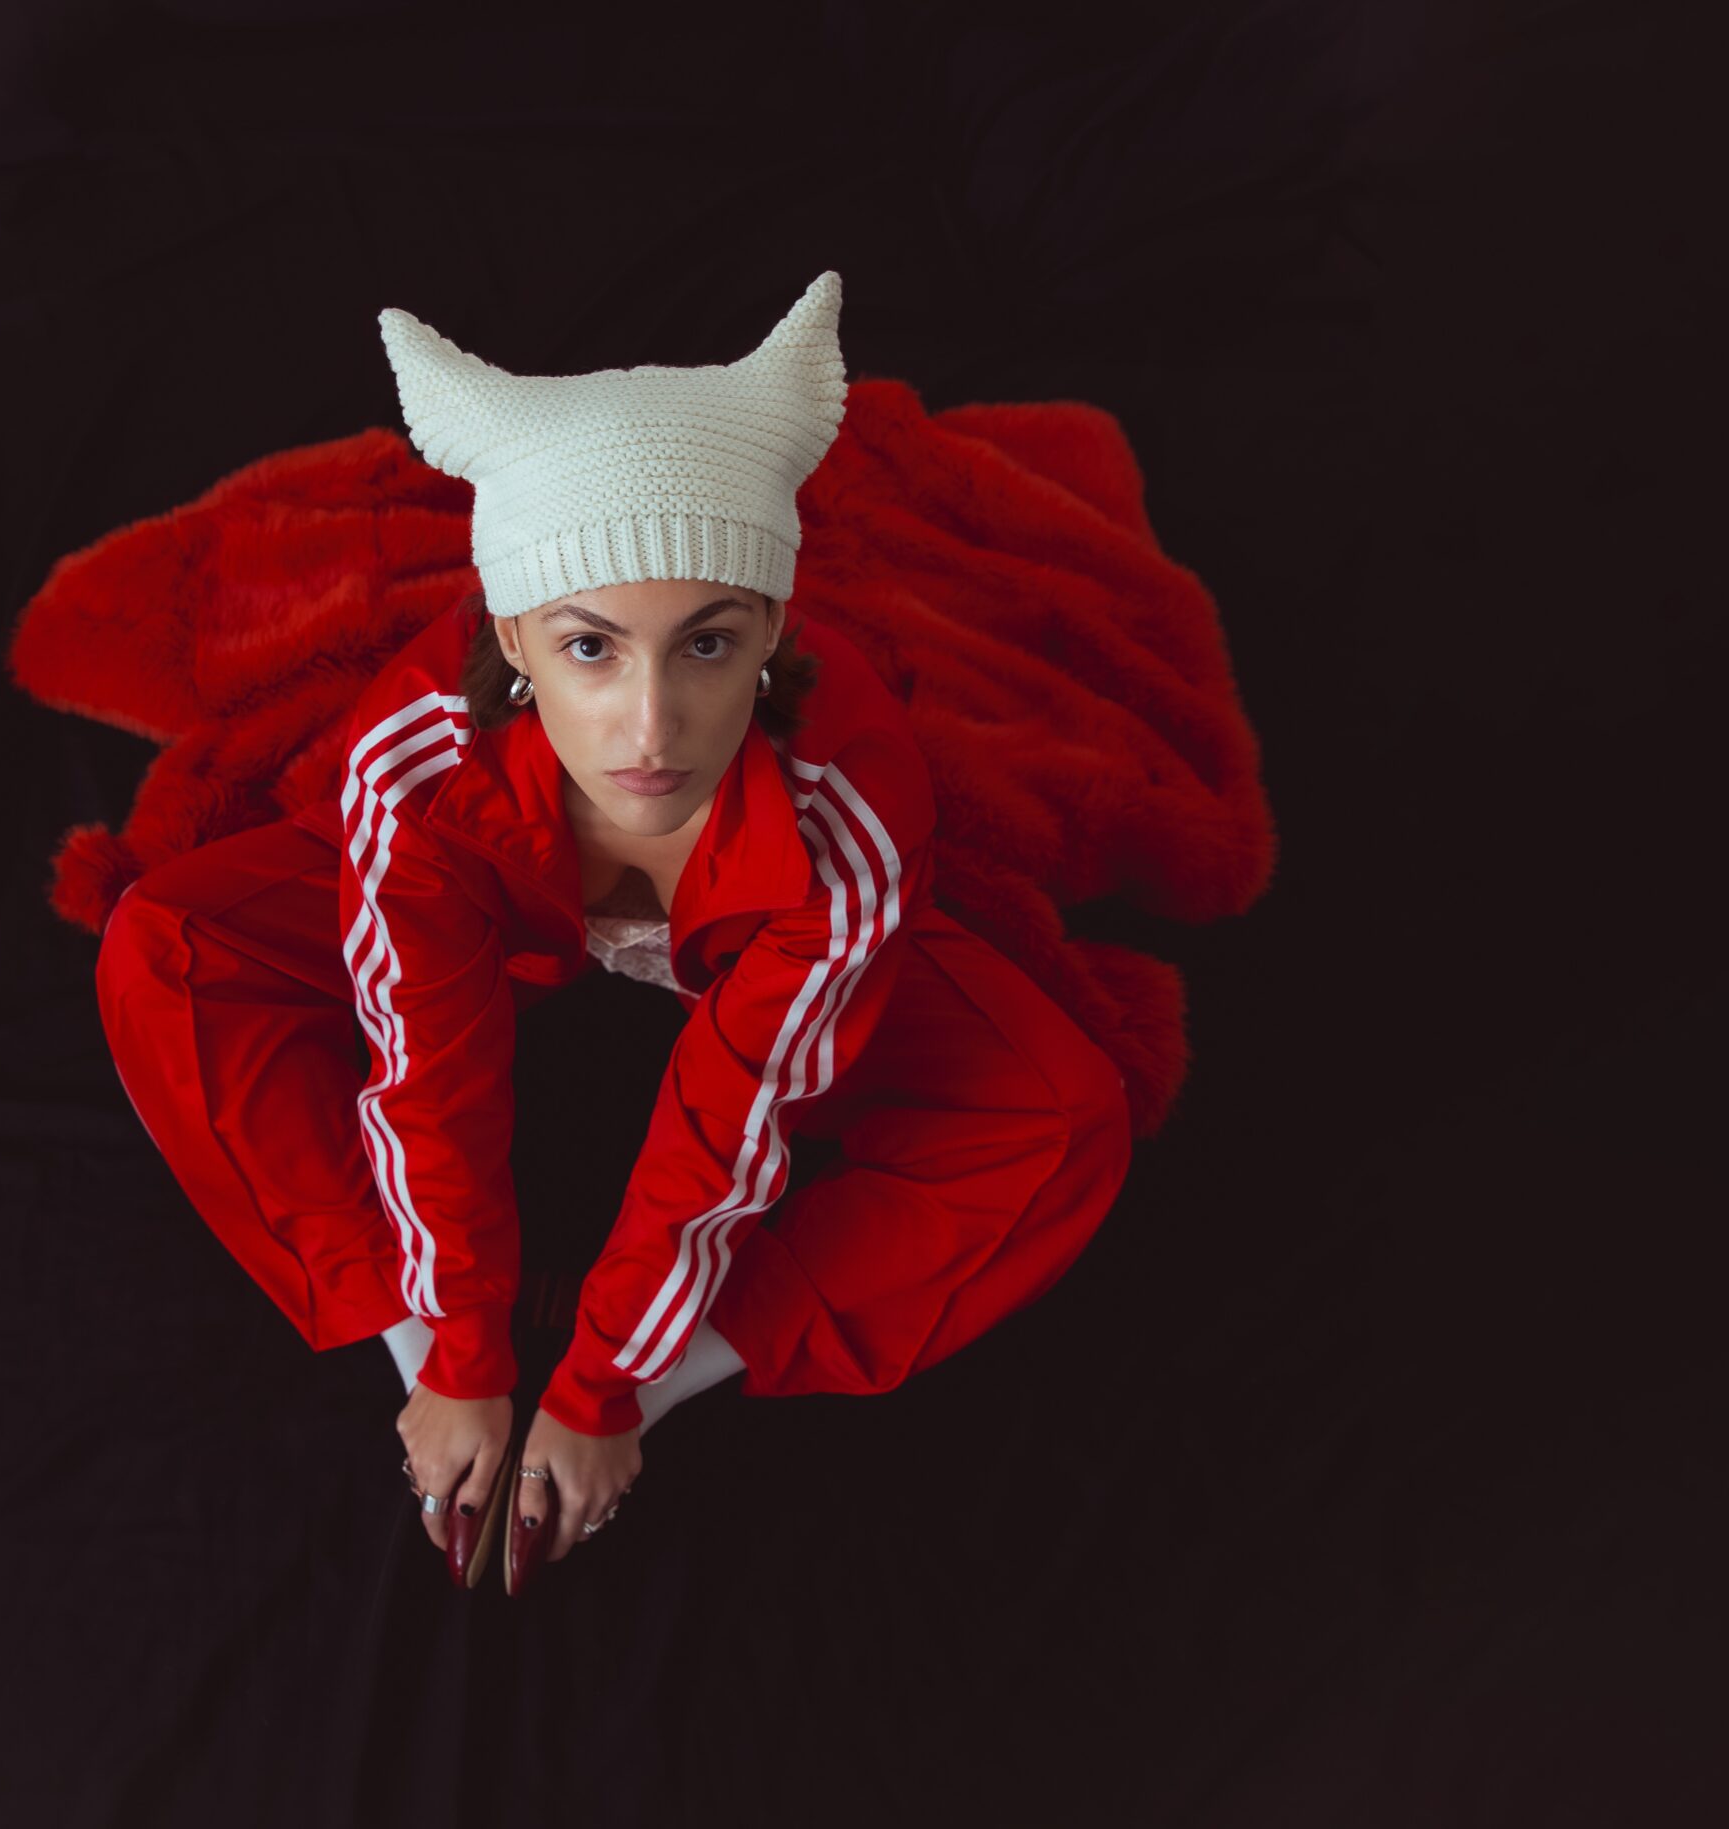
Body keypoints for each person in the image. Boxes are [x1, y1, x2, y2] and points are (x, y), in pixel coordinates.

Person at [93, 271, 1133, 1591]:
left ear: (770, 632)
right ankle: (396, 1310)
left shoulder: (848, 806)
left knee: (1066, 1116)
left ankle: (704, 1361)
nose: (651, 732)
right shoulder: (419, 762)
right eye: (591, 649)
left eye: (705, 648)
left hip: (756, 952)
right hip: (497, 890)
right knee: (165, 946)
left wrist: (609, 1391)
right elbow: (427, 1064)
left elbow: (733, 1119)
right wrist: (453, 1360)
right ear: (514, 634)